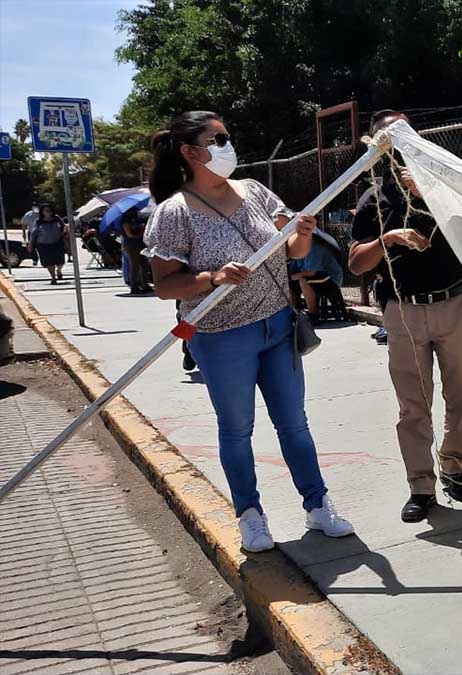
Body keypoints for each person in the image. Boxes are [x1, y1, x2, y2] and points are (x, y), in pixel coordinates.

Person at [143, 110, 353, 552]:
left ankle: (317, 505)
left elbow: (292, 249)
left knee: (294, 424)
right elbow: (165, 286)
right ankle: (250, 515)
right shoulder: (174, 212)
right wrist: (213, 278)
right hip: (221, 336)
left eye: (226, 137)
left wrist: (304, 234)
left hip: (277, 324)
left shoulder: (254, 191)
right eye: (217, 139)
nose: (226, 146)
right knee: (237, 429)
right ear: (189, 152)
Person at [349, 109, 462, 523]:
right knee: (413, 405)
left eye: (405, 132)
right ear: (374, 146)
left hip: (454, 304)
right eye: (388, 137)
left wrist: (426, 197)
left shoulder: (445, 185)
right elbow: (355, 264)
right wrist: (388, 238)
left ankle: (454, 468)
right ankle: (421, 486)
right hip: (404, 311)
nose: (398, 143)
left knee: (461, 397)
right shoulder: (374, 198)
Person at [288, 230, 343, 316]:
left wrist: (294, 276)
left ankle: (312, 313)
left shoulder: (315, 247)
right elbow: (294, 267)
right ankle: (293, 312)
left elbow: (312, 273)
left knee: (303, 281)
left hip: (330, 278)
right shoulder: (299, 249)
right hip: (316, 277)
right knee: (288, 283)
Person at [28, 204, 66, 284]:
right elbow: (34, 234)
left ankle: (58, 270)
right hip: (43, 245)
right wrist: (31, 244)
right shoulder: (38, 221)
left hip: (57, 243)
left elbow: (64, 228)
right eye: (46, 211)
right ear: (42, 212)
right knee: (49, 262)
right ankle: (53, 278)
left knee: (60, 261)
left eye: (50, 210)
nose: (48, 212)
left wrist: (65, 234)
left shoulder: (57, 219)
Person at [121, 210, 152, 293]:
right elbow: (129, 234)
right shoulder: (125, 220)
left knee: (144, 264)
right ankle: (134, 286)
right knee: (135, 265)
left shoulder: (138, 218)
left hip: (140, 244)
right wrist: (140, 234)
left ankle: (145, 285)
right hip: (131, 244)